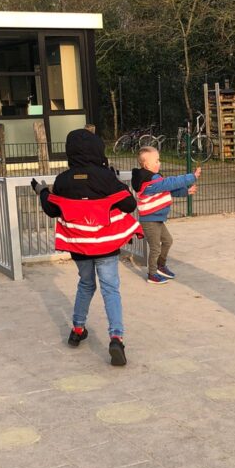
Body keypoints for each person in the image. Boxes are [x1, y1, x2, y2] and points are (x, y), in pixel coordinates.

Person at [33, 129, 140, 366]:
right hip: (105, 245)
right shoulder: (105, 178)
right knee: (110, 288)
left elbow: (52, 208)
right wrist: (113, 181)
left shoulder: (63, 180)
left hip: (79, 246)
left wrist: (41, 192)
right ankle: (116, 337)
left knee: (86, 284)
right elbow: (129, 204)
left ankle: (78, 329)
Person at [131, 146, 200, 283]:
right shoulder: (150, 182)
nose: (159, 163)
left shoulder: (154, 179)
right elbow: (171, 183)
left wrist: (186, 191)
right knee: (155, 247)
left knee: (168, 241)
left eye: (159, 160)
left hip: (157, 218)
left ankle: (160, 266)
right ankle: (152, 274)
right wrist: (191, 177)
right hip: (149, 220)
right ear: (146, 165)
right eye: (156, 161)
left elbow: (168, 190)